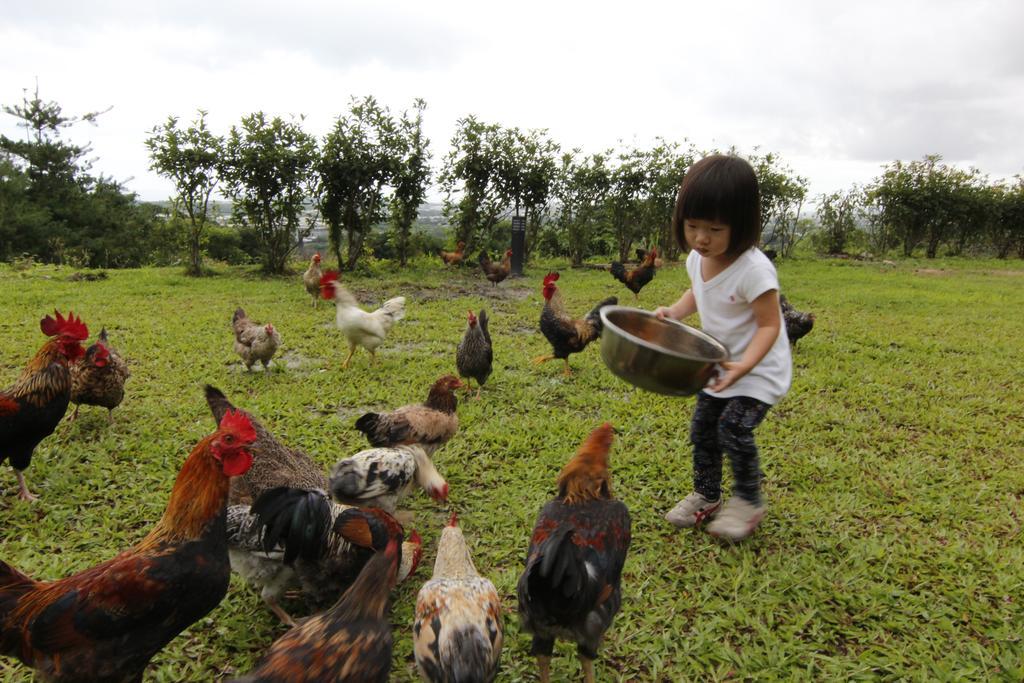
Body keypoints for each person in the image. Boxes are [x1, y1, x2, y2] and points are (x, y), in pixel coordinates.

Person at [655, 154, 792, 542]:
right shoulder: (697, 260)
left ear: (741, 225)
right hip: (720, 365)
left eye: (715, 229)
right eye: (692, 226)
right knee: (703, 429)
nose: (701, 238)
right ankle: (707, 494)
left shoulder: (754, 269)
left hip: (759, 370)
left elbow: (770, 324)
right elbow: (698, 293)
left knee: (732, 429)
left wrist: (745, 366)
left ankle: (748, 500)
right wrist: (676, 311)